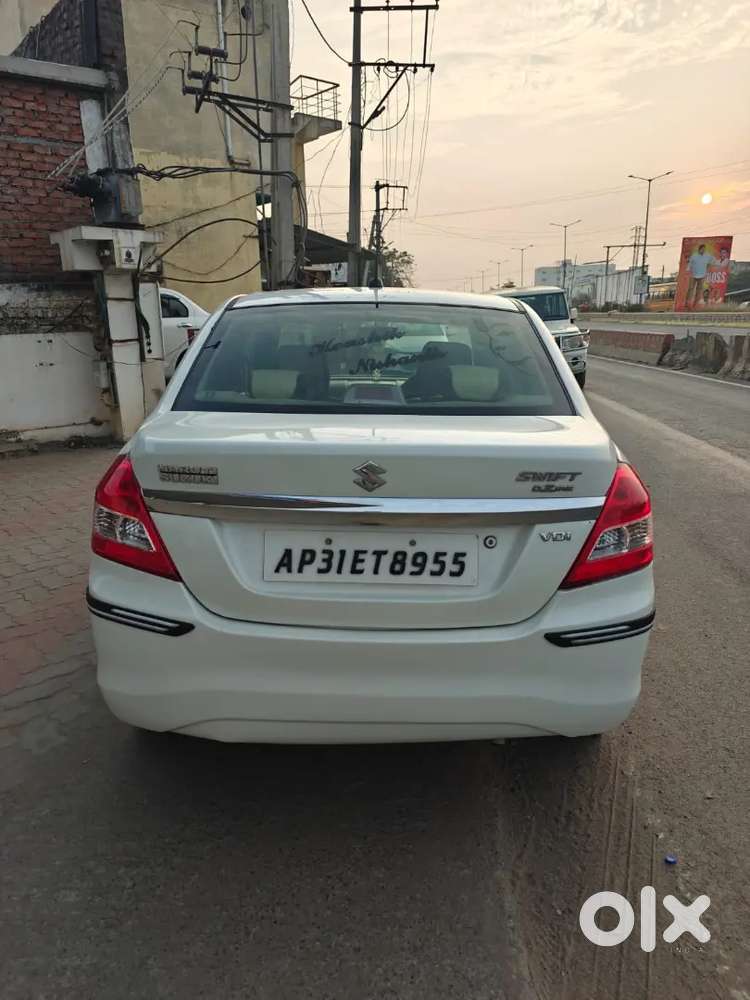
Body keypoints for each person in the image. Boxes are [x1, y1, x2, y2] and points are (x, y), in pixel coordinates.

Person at [686, 243, 716, 309]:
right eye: (702, 249)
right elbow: (689, 264)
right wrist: (688, 271)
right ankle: (687, 303)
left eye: (704, 250)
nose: (703, 251)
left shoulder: (707, 256)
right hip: (693, 275)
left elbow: (714, 260)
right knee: (691, 289)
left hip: (702, 275)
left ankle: (695, 304)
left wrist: (709, 264)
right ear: (699, 250)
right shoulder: (694, 256)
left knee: (699, 290)